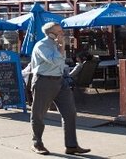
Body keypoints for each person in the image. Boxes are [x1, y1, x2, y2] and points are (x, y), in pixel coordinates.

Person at [29, 22, 90, 156]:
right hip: (44, 81)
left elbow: (61, 63)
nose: (63, 33)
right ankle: (37, 143)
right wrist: (62, 46)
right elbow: (55, 61)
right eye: (60, 32)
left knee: (70, 112)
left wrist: (61, 46)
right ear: (51, 34)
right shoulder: (42, 45)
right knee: (38, 114)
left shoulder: (57, 45)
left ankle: (71, 145)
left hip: (59, 80)